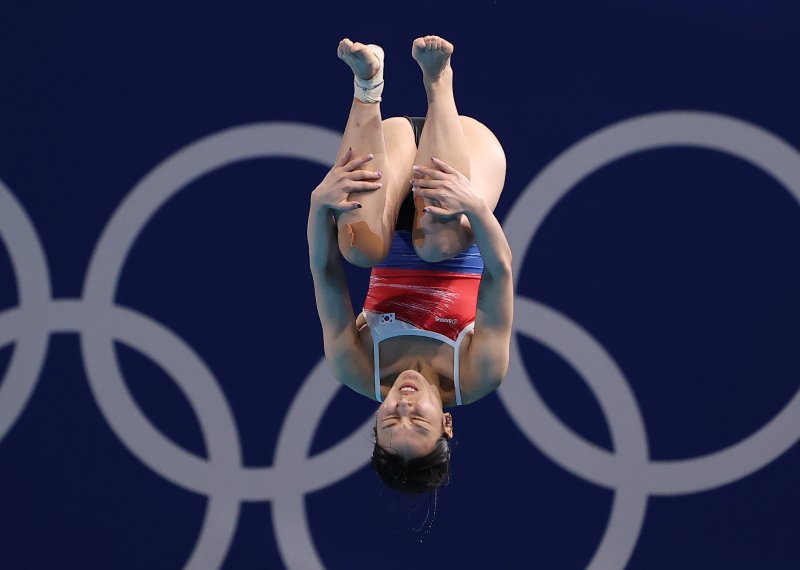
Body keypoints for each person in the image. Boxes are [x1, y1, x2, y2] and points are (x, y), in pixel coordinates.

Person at [308, 36, 512, 493]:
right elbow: (500, 272)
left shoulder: (355, 368)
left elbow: (325, 273)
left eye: (389, 421)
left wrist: (318, 205)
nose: (403, 406)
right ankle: (439, 80)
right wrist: (476, 207)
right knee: (438, 242)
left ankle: (367, 85)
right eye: (417, 423)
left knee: (359, 249)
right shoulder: (479, 375)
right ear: (446, 424)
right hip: (464, 166)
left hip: (393, 169)